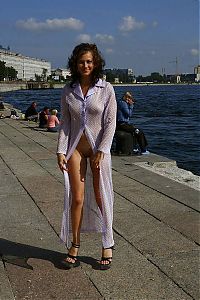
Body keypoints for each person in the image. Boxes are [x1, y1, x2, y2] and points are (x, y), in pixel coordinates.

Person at [57, 43, 117, 270]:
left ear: (96, 63)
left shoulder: (106, 88)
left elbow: (111, 122)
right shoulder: (68, 90)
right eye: (82, 61)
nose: (86, 65)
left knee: (102, 197)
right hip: (76, 149)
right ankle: (75, 244)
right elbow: (65, 123)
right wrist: (61, 151)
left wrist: (103, 149)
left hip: (98, 149)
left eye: (89, 61)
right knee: (77, 198)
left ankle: (107, 243)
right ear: (75, 63)